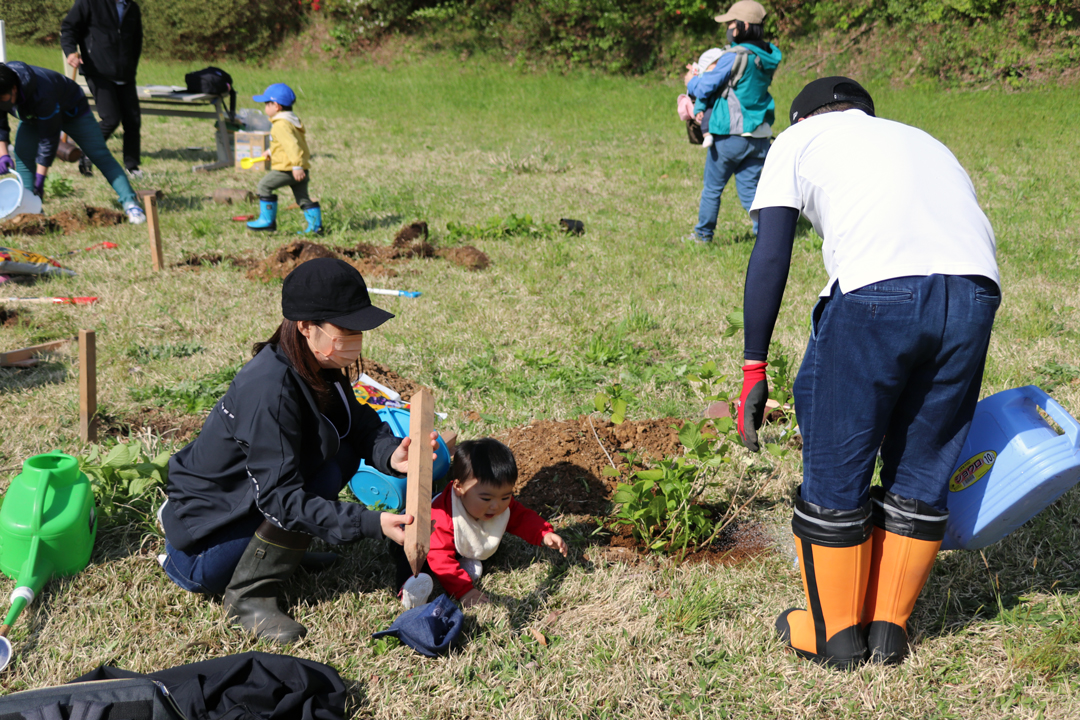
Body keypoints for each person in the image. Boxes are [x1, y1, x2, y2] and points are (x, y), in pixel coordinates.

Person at [736, 77, 1000, 669]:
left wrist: (754, 366)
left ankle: (833, 636)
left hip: (879, 292)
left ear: (802, 119)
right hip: (975, 291)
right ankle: (889, 633)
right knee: (923, 460)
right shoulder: (920, 138)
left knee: (837, 458)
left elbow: (772, 251)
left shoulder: (797, 141)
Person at [158, 258, 438, 643]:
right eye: (346, 328)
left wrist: (391, 453)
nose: (355, 338)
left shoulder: (316, 364)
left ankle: (283, 553)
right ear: (307, 326)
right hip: (203, 548)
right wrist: (371, 523)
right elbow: (280, 499)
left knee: (335, 460)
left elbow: (355, 421)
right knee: (310, 483)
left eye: (358, 328)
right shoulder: (270, 391)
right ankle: (247, 597)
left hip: (245, 505)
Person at [391, 438, 568, 609]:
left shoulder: (498, 505)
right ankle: (408, 589)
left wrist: (544, 533)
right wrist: (465, 591)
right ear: (459, 488)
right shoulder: (441, 516)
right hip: (413, 536)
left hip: (452, 545)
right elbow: (440, 557)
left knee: (462, 544)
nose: (496, 505)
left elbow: (521, 518)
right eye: (486, 498)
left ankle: (463, 560)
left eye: (505, 497)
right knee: (411, 558)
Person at [684, 0, 781, 243]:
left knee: (713, 190)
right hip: (759, 136)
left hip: (730, 135)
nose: (728, 28)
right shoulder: (768, 56)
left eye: (730, 23)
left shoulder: (734, 57)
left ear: (743, 25)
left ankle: (703, 235)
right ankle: (767, 236)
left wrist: (690, 81)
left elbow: (706, 86)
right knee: (752, 193)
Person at [0, 62, 144, 223]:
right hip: (32, 116)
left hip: (73, 112)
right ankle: (31, 213)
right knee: (22, 154)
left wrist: (40, 179)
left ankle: (131, 204)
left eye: (2, 99)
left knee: (99, 154)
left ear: (14, 88)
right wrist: (3, 154)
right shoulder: (3, 85)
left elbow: (48, 140)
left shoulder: (42, 91)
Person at [60, 0, 144, 178]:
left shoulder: (132, 8)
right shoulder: (90, 3)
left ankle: (132, 166)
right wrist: (70, 51)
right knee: (111, 119)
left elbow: (137, 40)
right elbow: (68, 28)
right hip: (98, 70)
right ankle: (86, 152)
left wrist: (131, 67)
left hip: (125, 73)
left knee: (133, 121)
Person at [246, 83, 322, 235]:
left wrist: (295, 166)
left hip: (287, 169)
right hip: (300, 168)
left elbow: (292, 145)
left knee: (264, 186)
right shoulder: (291, 120)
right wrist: (271, 151)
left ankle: (267, 221)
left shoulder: (280, 125)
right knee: (302, 198)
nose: (265, 108)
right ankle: (315, 228)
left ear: (276, 106)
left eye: (267, 104)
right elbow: (285, 143)